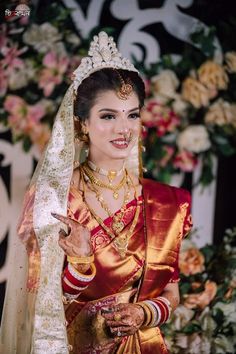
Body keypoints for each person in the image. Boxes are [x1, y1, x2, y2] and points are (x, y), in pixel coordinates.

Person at [0, 31, 192, 354]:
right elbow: (38, 306)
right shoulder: (54, 198)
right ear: (82, 123)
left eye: (132, 114)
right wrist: (79, 263)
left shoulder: (166, 203)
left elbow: (172, 293)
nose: (124, 129)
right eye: (108, 116)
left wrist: (142, 312)